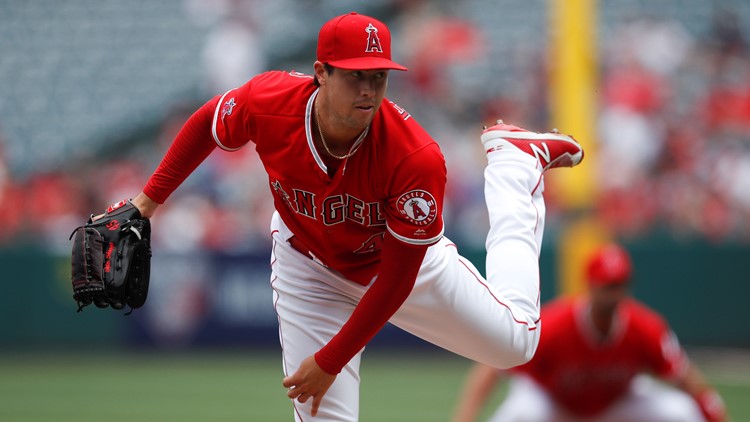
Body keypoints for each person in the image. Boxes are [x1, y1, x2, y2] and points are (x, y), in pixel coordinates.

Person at [118, 12, 584, 420]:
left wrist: (331, 359)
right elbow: (208, 123)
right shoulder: (270, 101)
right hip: (308, 265)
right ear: (320, 72)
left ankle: (513, 164)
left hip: (397, 269)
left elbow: (397, 281)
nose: (368, 90)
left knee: (515, 345)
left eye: (378, 77)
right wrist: (146, 203)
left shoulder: (414, 157)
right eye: (354, 76)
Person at [452, 243, 727, 422]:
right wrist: (465, 417)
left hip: (616, 402)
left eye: (620, 284)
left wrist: (714, 411)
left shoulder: (645, 327)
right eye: (608, 285)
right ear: (591, 286)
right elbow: (491, 369)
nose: (614, 293)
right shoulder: (556, 325)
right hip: (551, 401)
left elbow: (684, 375)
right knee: (517, 415)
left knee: (683, 413)